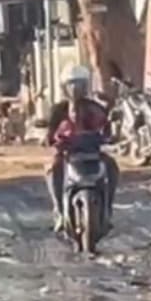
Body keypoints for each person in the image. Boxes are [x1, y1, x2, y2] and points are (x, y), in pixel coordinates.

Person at [44, 65, 119, 231]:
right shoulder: (58, 110)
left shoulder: (95, 107)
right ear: (64, 87)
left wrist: (110, 135)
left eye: (79, 84)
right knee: (53, 168)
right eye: (71, 84)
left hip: (93, 153)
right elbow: (50, 132)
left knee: (112, 166)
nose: (75, 88)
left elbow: (107, 128)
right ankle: (59, 211)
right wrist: (51, 140)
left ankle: (108, 209)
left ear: (86, 86)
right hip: (68, 154)